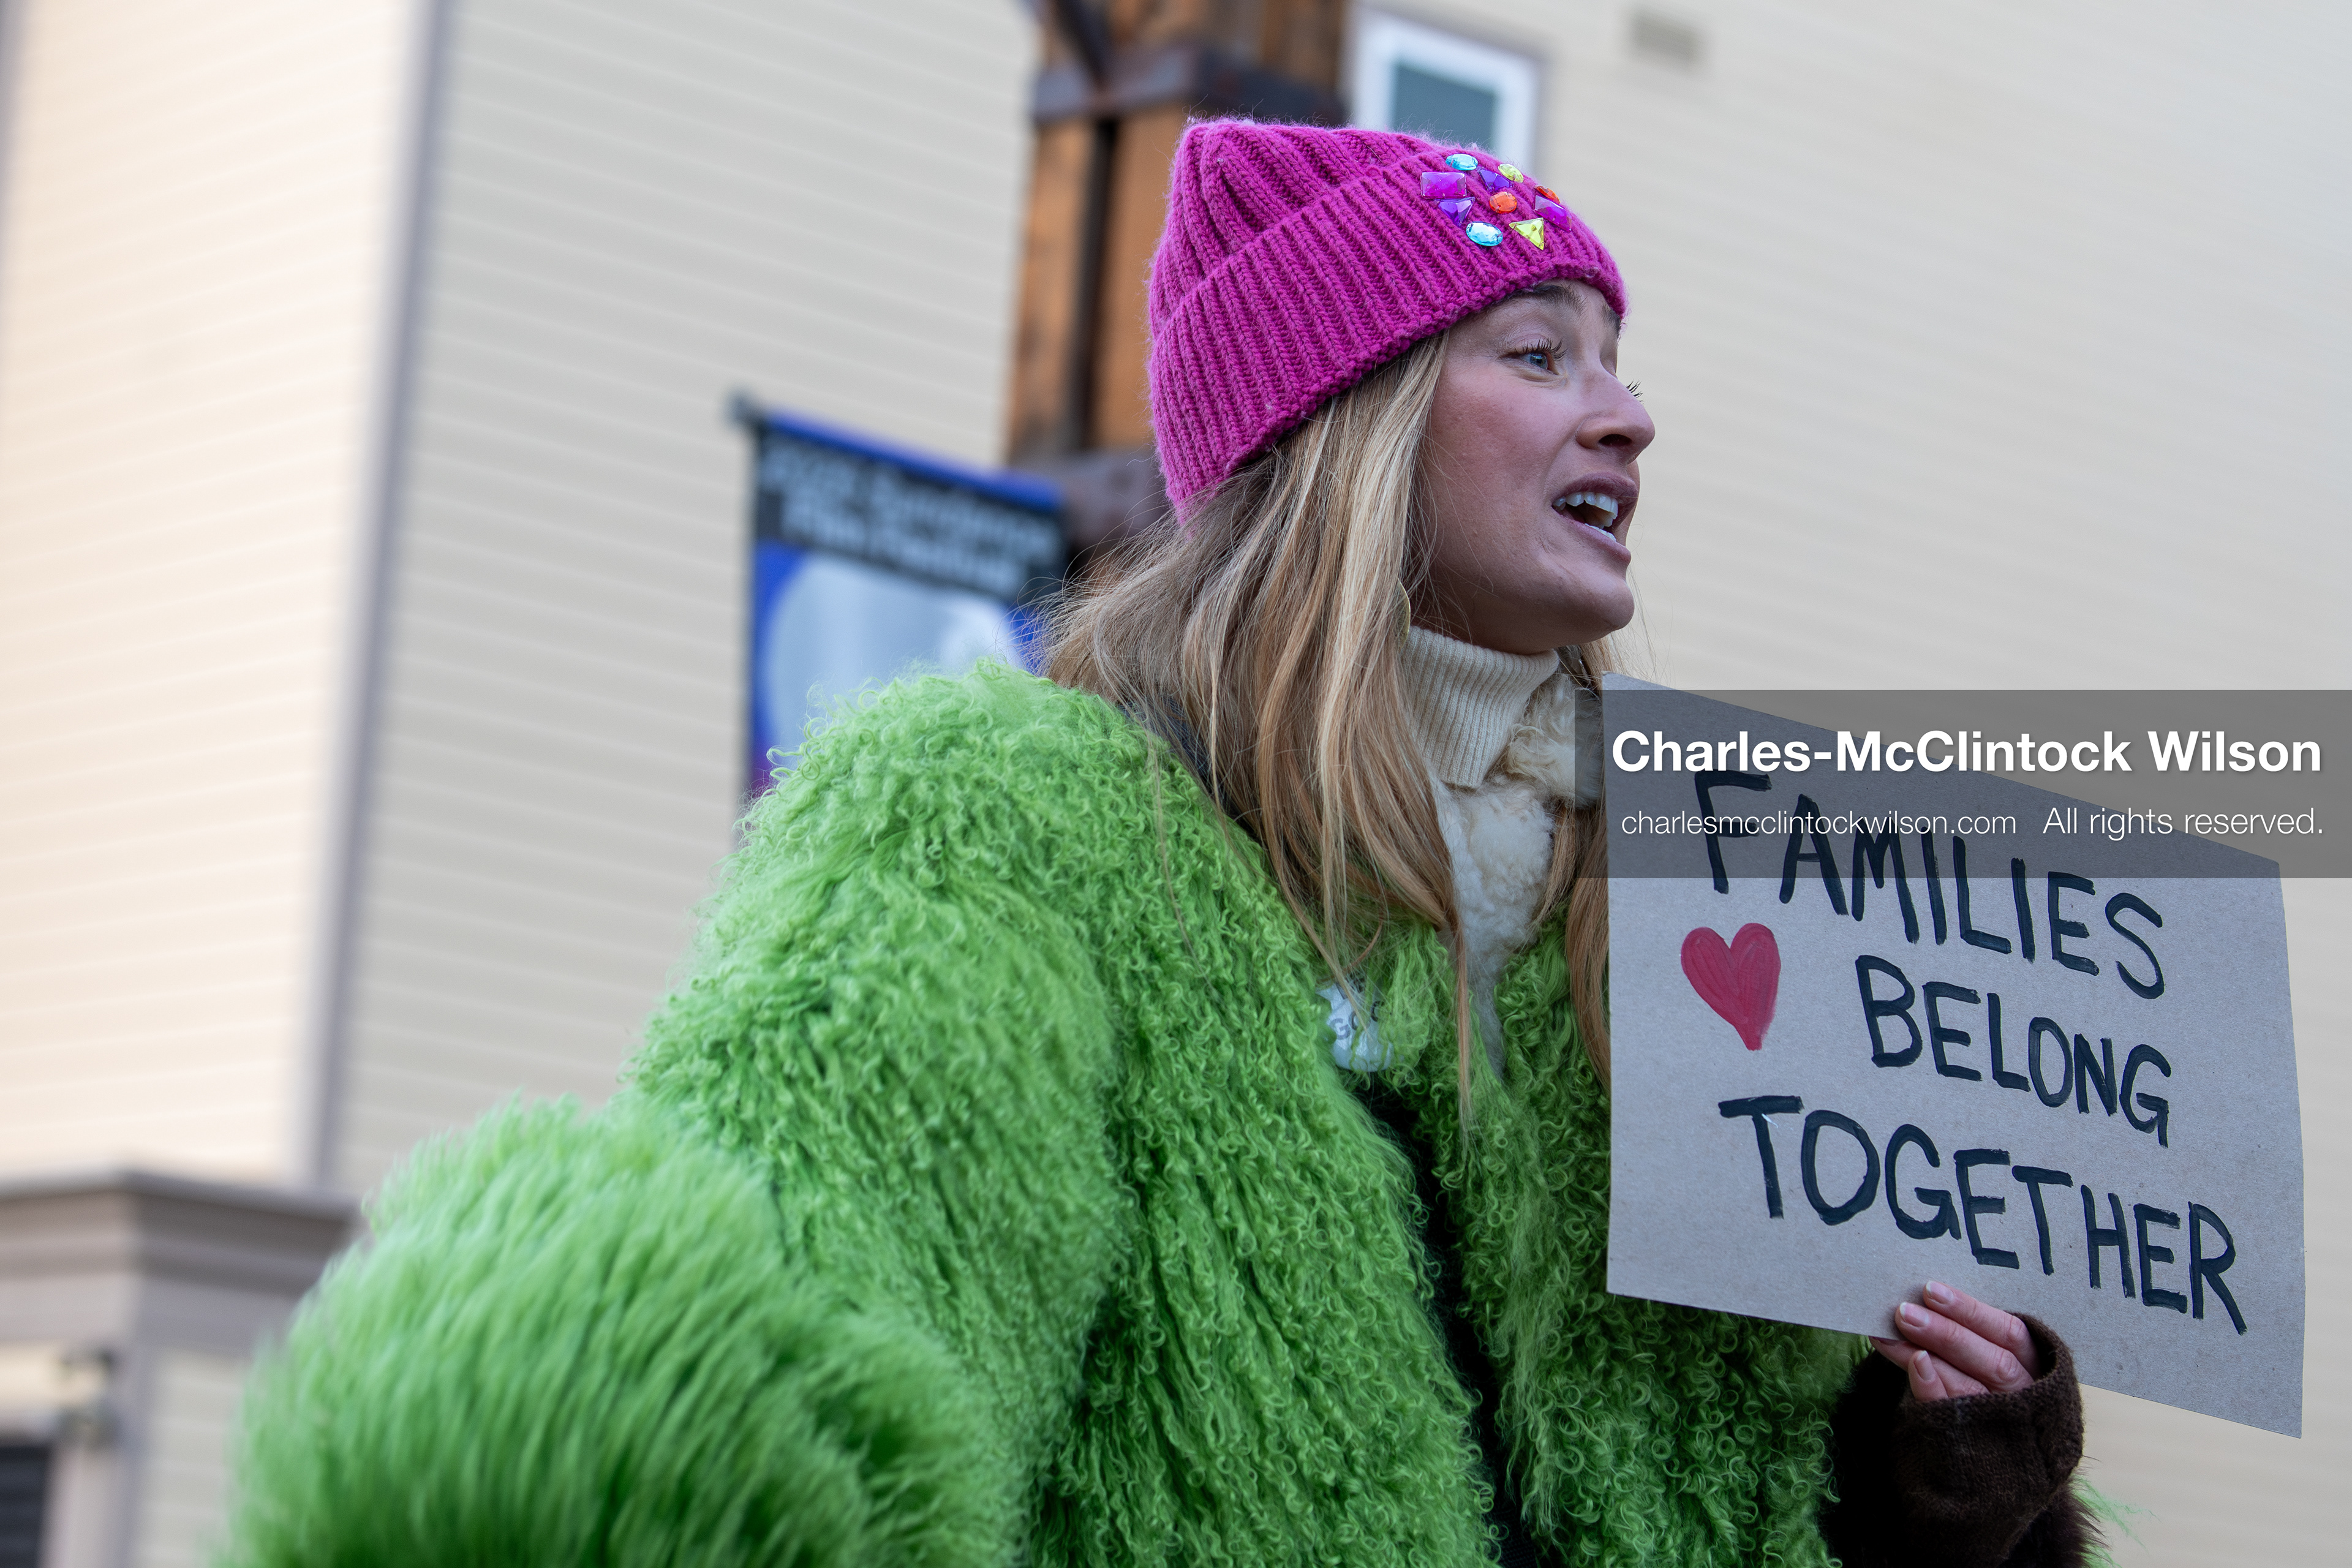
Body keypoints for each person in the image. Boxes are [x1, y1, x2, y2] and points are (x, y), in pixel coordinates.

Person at [223, 122, 2096, 1568]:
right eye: (1540, 350)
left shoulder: (1671, 936)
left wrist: (1939, 1510)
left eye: (1615, 359)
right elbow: (801, 1310)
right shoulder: (1017, 827)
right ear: (1342, 432)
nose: (1631, 410)